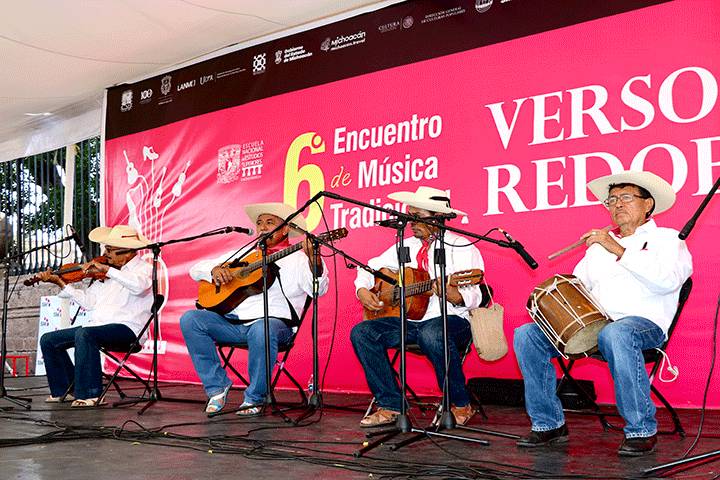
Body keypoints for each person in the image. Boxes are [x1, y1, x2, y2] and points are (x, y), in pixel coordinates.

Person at [514, 170, 693, 456]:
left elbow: (669, 281)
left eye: (625, 197)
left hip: (643, 325)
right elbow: (577, 290)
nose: (617, 205)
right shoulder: (596, 249)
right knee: (527, 334)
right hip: (595, 327)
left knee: (617, 332)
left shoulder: (669, 239)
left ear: (648, 205)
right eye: (611, 200)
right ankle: (549, 423)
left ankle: (641, 429)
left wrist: (618, 249)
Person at [351, 186, 487, 427]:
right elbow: (368, 267)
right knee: (363, 332)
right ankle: (391, 404)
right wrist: (362, 289)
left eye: (417, 217)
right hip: (411, 322)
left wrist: (449, 292)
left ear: (438, 217)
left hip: (452, 321)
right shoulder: (406, 246)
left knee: (432, 332)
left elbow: (475, 296)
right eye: (409, 216)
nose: (410, 223)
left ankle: (459, 403)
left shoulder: (462, 246)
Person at [180, 203, 328, 415]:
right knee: (191, 319)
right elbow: (195, 270)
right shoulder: (244, 254)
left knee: (262, 328)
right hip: (234, 323)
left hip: (275, 325)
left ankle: (255, 398)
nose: (263, 227)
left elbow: (318, 290)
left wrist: (314, 258)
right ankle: (217, 387)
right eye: (259, 223)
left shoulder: (298, 257)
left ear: (285, 229)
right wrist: (213, 270)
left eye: (270, 222)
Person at [38, 225, 152, 407]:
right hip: (98, 327)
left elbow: (139, 286)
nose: (105, 254)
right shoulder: (105, 276)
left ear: (128, 252)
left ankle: (90, 394)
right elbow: (89, 302)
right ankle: (65, 389)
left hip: (128, 330)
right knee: (49, 339)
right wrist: (62, 283)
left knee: (86, 334)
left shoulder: (143, 269)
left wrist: (109, 272)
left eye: (110, 250)